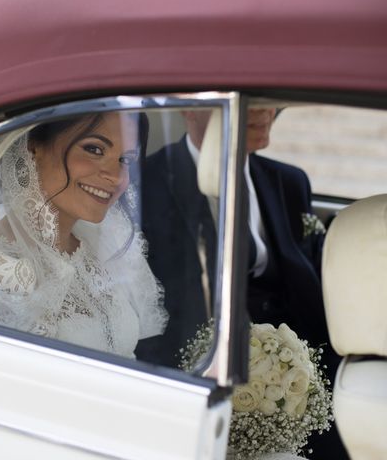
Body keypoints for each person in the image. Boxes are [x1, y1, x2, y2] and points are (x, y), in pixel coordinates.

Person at [139, 107, 346, 459]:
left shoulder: (291, 181)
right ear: (190, 107)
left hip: (308, 365)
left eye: (269, 100)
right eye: (249, 100)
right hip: (206, 371)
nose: (264, 110)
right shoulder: (147, 183)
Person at [0, 112, 168, 358]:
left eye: (126, 160)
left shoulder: (100, 250)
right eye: (94, 149)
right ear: (34, 146)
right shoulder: (0, 275)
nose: (115, 176)